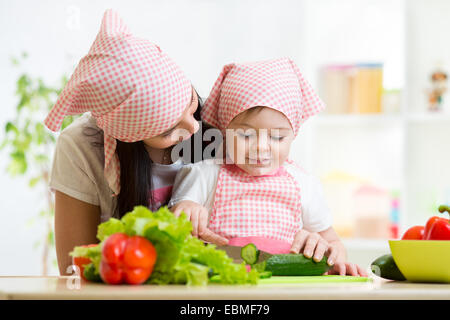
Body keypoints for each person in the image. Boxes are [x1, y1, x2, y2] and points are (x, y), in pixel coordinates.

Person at [46, 9, 227, 275]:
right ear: (129, 136)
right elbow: (75, 269)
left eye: (190, 104)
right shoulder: (82, 146)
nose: (194, 127)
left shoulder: (221, 124)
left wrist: (310, 233)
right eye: (169, 131)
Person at [169, 58, 367, 276]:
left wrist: (333, 257)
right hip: (223, 287)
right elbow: (174, 223)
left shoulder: (304, 183)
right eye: (245, 135)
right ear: (225, 130)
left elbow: (333, 243)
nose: (261, 148)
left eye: (277, 137)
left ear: (293, 135)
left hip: (287, 289)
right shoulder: (204, 174)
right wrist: (186, 209)